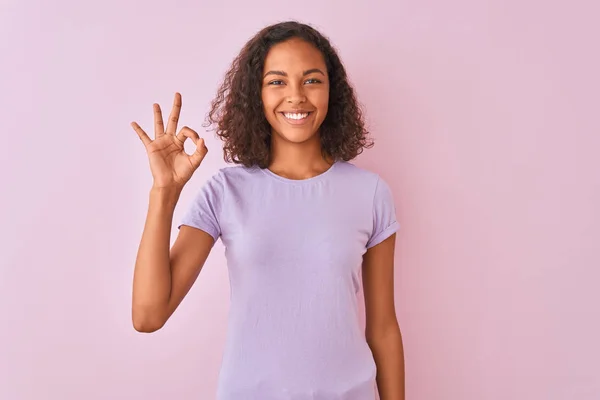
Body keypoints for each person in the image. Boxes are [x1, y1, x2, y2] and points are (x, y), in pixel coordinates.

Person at [130, 21, 404, 400]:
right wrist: (164, 193)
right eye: (277, 81)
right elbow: (148, 315)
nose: (296, 96)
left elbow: (383, 329)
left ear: (331, 91)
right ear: (255, 95)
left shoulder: (370, 193)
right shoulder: (226, 191)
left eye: (312, 80)